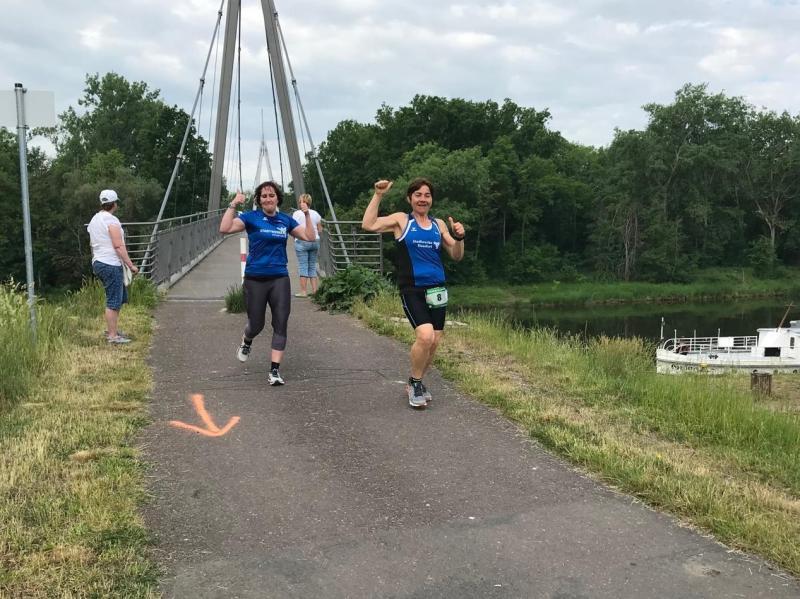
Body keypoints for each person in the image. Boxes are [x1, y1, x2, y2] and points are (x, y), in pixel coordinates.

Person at [361, 178, 465, 408]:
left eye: (427, 195)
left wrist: (459, 237)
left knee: (434, 341)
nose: (422, 199)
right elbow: (368, 224)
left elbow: (456, 255)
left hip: (437, 289)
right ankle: (416, 384)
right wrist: (378, 195)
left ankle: (415, 381)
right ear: (410, 198)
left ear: (432, 199)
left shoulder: (438, 224)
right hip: (412, 289)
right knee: (425, 336)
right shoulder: (402, 220)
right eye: (418, 195)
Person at [219, 181, 316, 385]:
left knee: (280, 323)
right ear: (259, 200)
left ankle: (274, 371)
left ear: (278, 198)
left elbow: (309, 236)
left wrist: (307, 214)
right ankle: (247, 341)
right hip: (255, 278)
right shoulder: (251, 218)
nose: (268, 199)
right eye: (264, 196)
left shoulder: (285, 220)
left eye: (271, 195)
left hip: (279, 277)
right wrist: (233, 204)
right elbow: (224, 228)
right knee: (256, 324)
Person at [87, 189, 139, 344]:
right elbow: (118, 246)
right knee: (114, 300)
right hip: (110, 263)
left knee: (119, 297)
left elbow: (92, 243)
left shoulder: (95, 219)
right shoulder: (111, 221)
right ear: (115, 204)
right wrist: (131, 265)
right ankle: (112, 336)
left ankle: (113, 329)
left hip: (99, 262)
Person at [291, 193, 323, 297]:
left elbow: (293, 228)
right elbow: (320, 230)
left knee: (303, 265)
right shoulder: (316, 213)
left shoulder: (296, 214)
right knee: (312, 266)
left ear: (301, 202)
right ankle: (315, 291)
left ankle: (303, 291)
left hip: (302, 241)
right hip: (315, 241)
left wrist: (295, 239)